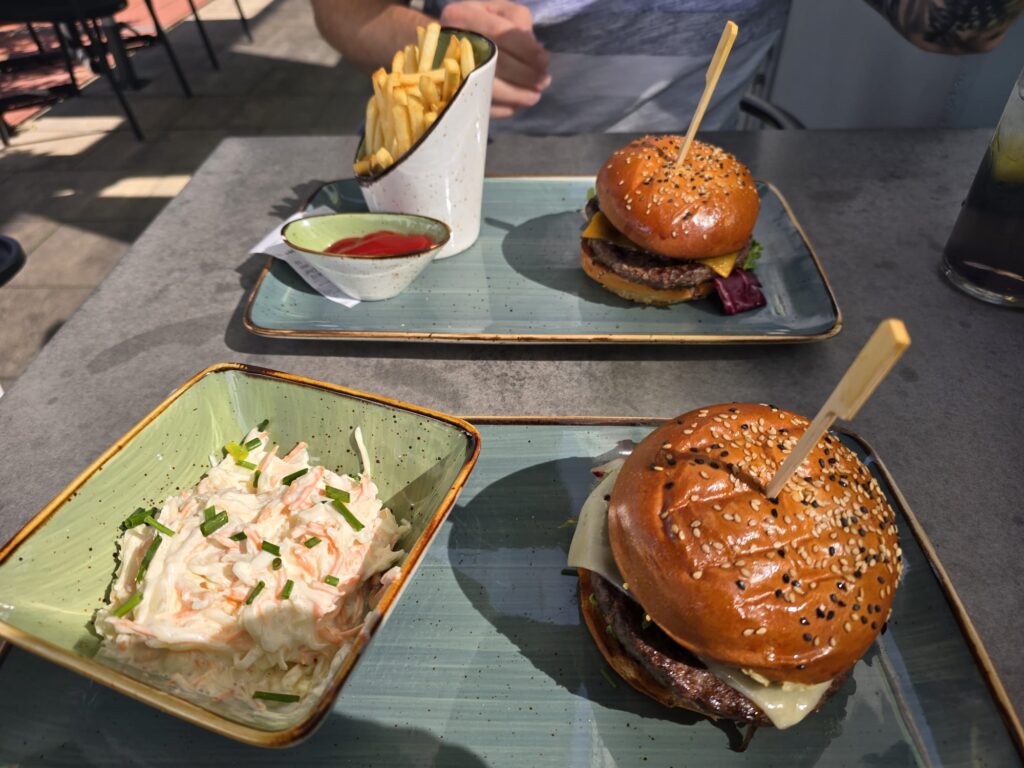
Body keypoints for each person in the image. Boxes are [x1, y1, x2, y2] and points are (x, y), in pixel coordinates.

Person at [310, 0, 1024, 133]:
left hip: (696, 180)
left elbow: (954, 28)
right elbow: (342, 13)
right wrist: (434, 44)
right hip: (467, 168)